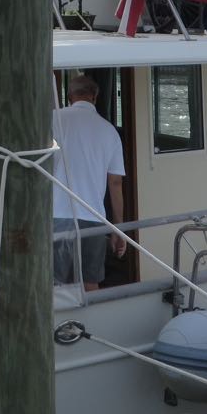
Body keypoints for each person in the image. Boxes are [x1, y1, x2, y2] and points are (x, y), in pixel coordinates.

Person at [52, 74, 125, 291]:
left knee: (56, 284)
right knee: (90, 282)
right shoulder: (109, 131)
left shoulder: (52, 118)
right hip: (93, 217)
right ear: (95, 97)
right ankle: (90, 323)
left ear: (69, 96)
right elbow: (115, 184)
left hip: (56, 215)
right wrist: (117, 229)